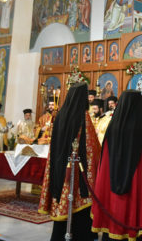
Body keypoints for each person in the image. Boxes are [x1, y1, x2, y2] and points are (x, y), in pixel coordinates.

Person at [91, 90, 142, 241]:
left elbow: (104, 160)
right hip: (134, 184)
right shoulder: (141, 130)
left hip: (111, 182)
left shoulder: (112, 128)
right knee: (132, 211)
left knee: (113, 209)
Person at [38, 83, 100, 241]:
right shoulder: (83, 116)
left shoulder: (60, 115)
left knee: (63, 201)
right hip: (78, 171)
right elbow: (91, 147)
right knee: (80, 209)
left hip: (60, 167)